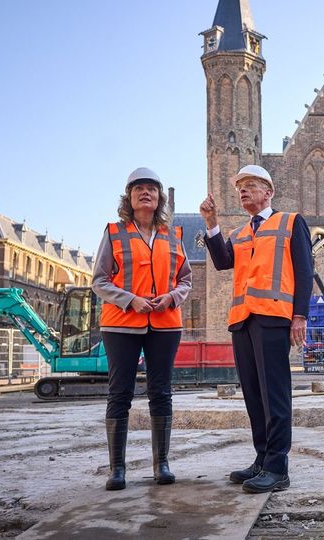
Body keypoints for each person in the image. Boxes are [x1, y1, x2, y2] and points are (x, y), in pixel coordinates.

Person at [199, 164, 312, 493]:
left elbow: (304, 271)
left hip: (274, 318)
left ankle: (278, 467)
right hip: (243, 321)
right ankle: (261, 459)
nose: (243, 191)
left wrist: (300, 316)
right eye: (239, 188)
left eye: (250, 185)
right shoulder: (241, 232)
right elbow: (222, 261)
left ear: (269, 192)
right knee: (253, 395)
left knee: (274, 394)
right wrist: (211, 224)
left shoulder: (291, 223)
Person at [92, 167, 191, 491]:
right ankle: (116, 470)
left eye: (151, 188)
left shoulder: (173, 235)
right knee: (120, 392)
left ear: (159, 197)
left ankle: (161, 465)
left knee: (161, 392)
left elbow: (186, 280)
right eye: (139, 189)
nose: (145, 193)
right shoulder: (114, 232)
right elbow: (99, 281)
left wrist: (171, 298)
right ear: (129, 198)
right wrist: (130, 300)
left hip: (164, 324)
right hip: (121, 325)